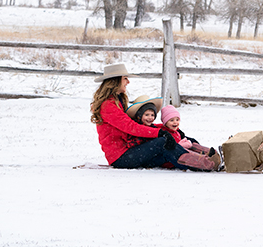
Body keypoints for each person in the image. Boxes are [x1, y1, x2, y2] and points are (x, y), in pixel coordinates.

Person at [89, 63, 219, 171]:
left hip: (130, 150)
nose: (128, 82)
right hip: (121, 157)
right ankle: (207, 164)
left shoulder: (117, 101)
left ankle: (209, 155)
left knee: (170, 144)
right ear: (115, 81)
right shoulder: (108, 105)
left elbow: (135, 125)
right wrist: (160, 133)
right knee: (162, 142)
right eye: (125, 78)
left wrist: (165, 129)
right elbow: (130, 127)